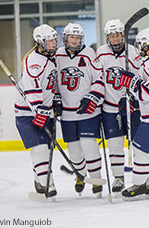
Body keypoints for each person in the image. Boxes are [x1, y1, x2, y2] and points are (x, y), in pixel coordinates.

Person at [107, 27, 149, 200]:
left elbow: (147, 93)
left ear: (147, 44)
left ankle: (139, 185)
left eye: (141, 44)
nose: (138, 47)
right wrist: (130, 92)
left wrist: (132, 81)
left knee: (140, 149)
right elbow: (142, 90)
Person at [55, 23, 105, 198]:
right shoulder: (57, 55)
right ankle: (80, 175)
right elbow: (52, 81)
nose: (75, 41)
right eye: (71, 37)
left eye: (77, 38)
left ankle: (97, 180)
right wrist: (55, 98)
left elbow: (100, 77)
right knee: (74, 150)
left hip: (88, 111)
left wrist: (92, 96)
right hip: (67, 114)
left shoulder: (89, 53)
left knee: (89, 146)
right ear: (65, 38)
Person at [96, 19, 142, 194]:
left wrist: (131, 95)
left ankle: (140, 177)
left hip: (131, 107)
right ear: (107, 37)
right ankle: (118, 178)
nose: (115, 39)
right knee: (114, 144)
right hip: (109, 108)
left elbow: (140, 78)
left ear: (122, 35)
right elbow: (96, 77)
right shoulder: (100, 52)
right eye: (111, 36)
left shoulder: (133, 52)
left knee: (137, 144)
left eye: (117, 35)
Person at [14, 24, 58, 198]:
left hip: (44, 111)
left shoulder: (51, 57)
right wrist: (39, 109)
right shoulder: (34, 61)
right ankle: (49, 183)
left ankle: (39, 180)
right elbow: (32, 89)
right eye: (50, 41)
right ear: (40, 42)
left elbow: (51, 85)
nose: (54, 44)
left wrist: (56, 101)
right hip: (27, 113)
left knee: (45, 148)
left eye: (55, 40)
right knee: (40, 149)